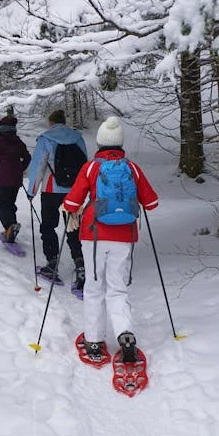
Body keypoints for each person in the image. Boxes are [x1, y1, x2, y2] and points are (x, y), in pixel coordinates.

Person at [60, 116, 159, 363]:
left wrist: (70, 207)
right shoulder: (132, 168)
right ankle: (125, 333)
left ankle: (93, 340)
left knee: (94, 289)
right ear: (120, 143)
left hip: (93, 235)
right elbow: (152, 203)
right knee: (117, 289)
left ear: (100, 142)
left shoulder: (92, 167)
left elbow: (72, 201)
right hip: (124, 236)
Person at [26, 109, 88, 286]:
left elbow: (38, 166)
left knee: (48, 226)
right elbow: (84, 164)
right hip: (73, 193)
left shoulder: (46, 138)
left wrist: (32, 191)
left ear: (51, 123)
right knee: (73, 227)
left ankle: (52, 263)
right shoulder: (77, 138)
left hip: (51, 190)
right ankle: (80, 265)